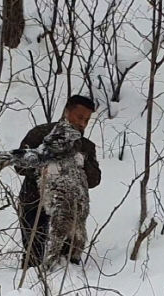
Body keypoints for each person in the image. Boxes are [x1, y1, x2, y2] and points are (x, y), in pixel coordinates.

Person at [16, 95, 101, 268]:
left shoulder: (85, 146)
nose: (83, 124)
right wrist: (45, 162)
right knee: (34, 256)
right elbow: (19, 166)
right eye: (79, 117)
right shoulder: (40, 134)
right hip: (34, 203)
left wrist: (80, 164)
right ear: (66, 112)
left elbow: (94, 180)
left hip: (70, 207)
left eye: (87, 120)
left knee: (67, 260)